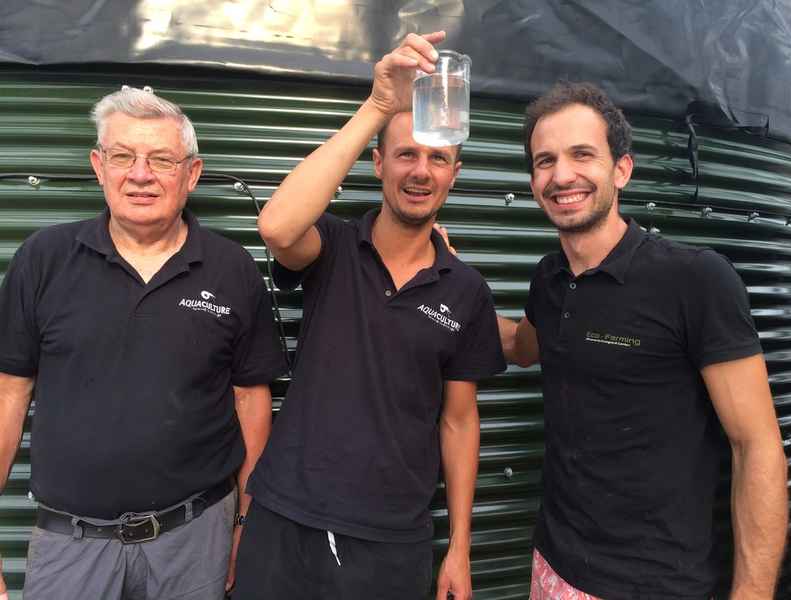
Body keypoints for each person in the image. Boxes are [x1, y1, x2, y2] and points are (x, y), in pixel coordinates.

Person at [232, 32, 505, 600]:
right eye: (406, 154)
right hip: (285, 519)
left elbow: (459, 422)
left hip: (391, 543)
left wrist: (459, 546)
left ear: (454, 174)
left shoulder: (466, 289)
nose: (421, 171)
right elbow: (276, 227)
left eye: (437, 157)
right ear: (378, 163)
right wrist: (379, 106)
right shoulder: (332, 245)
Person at [496, 82, 788, 599]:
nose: (561, 175)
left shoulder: (695, 280)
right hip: (554, 567)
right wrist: (445, 285)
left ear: (622, 170)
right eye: (545, 161)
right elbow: (522, 346)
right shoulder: (549, 279)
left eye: (582, 154)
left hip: (654, 585)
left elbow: (757, 447)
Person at [0, 86, 287, 600]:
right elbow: (8, 395)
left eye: (161, 159)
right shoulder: (43, 259)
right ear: (98, 166)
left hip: (195, 539)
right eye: (122, 156)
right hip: (70, 544)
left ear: (191, 174)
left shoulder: (232, 268)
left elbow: (251, 401)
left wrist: (246, 521)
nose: (139, 174)